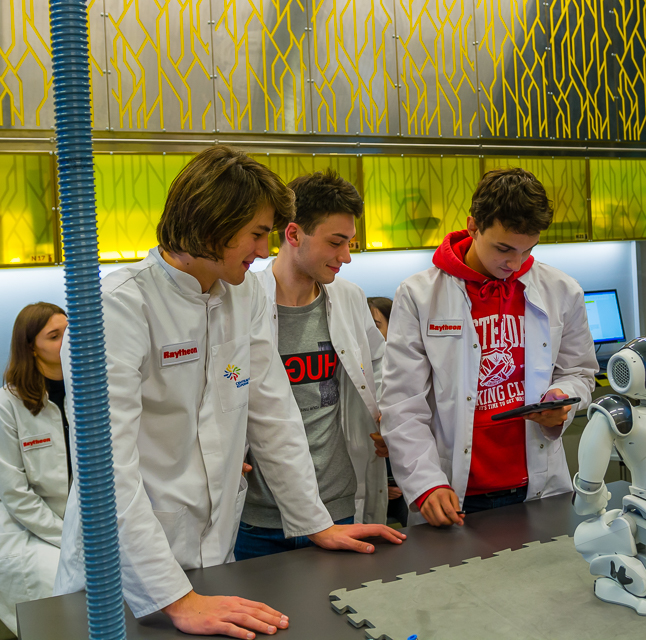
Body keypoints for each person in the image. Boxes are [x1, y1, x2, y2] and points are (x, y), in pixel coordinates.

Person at [54, 146, 403, 639]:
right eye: (256, 233)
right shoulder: (117, 307)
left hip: (210, 562)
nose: (264, 250)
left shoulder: (242, 295)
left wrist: (314, 522)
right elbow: (106, 470)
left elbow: (273, 413)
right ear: (212, 223)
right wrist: (175, 597)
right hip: (124, 575)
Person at [379, 167, 599, 527]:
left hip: (540, 488)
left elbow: (580, 373)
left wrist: (562, 398)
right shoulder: (419, 295)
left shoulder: (562, 290)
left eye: (527, 249)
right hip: (454, 492)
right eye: (503, 248)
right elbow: (403, 403)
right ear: (472, 226)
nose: (515, 263)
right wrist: (425, 483)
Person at [236, 169, 390, 560]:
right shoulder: (241, 301)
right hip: (258, 518)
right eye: (336, 242)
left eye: (349, 242)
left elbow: (380, 369)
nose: (346, 256)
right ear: (293, 234)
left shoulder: (349, 298)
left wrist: (390, 421)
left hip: (338, 505)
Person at [0, 303, 69, 636]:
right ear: (30, 347)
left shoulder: (93, 391)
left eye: (70, 332)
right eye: (55, 336)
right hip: (31, 526)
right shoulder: (8, 404)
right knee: (55, 584)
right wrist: (67, 537)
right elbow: (14, 492)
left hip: (91, 521)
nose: (67, 342)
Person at [365, 296, 407, 526]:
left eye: (375, 326)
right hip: (371, 474)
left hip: (401, 470)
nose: (368, 334)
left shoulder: (408, 367)